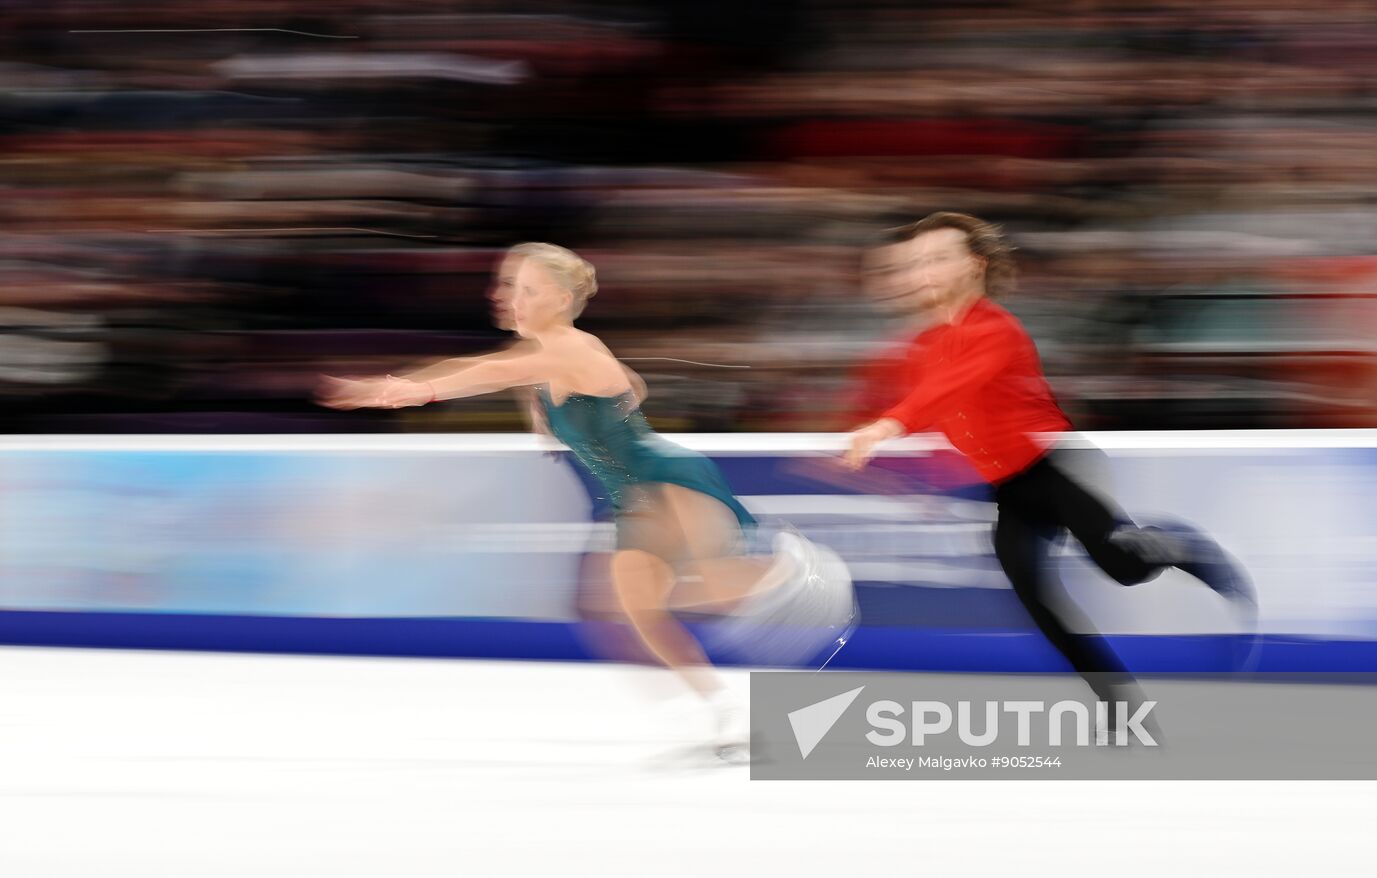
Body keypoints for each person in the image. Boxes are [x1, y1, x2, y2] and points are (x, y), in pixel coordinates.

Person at [320, 242, 855, 754]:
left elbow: (488, 371)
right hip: (634, 488)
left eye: (527, 288)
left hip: (663, 478)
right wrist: (554, 413)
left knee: (704, 586)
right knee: (628, 609)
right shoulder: (558, 356)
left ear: (560, 298)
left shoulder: (567, 348)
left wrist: (415, 389)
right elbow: (630, 386)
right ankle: (723, 708)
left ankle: (801, 570)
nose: (509, 296)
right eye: (509, 286)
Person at [842, 212, 1256, 714]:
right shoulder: (922, 346)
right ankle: (1117, 701)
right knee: (1036, 598)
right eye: (919, 261)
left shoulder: (996, 328)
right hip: (1009, 487)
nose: (924, 270)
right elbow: (942, 417)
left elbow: (949, 390)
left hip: (1058, 467)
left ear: (974, 266)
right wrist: (917, 481)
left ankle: (1182, 546)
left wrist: (889, 425)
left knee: (1123, 566)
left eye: (939, 258)